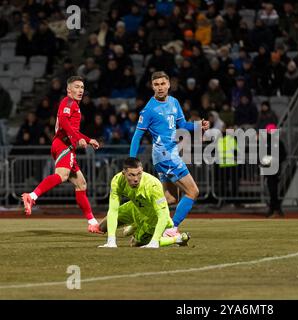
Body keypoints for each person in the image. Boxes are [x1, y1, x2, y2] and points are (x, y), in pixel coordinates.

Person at [129, 71, 210, 237]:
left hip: (169, 155)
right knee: (193, 192)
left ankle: (140, 221)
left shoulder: (174, 102)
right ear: (152, 86)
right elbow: (137, 136)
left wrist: (198, 126)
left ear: (169, 85)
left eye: (162, 84)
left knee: (170, 199)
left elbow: (182, 125)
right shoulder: (149, 110)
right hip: (166, 156)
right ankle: (171, 229)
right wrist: (131, 161)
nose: (160, 87)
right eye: (156, 84)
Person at [21, 76, 103, 234]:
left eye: (82, 87)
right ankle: (32, 196)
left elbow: (73, 128)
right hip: (63, 144)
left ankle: (92, 223)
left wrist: (88, 139)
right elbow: (64, 123)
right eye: (77, 87)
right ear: (69, 90)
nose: (80, 90)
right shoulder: (68, 102)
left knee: (81, 184)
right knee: (62, 175)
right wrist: (77, 139)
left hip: (66, 144)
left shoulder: (74, 105)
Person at [98, 157, 190, 248]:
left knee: (135, 243)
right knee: (102, 226)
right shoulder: (117, 181)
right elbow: (113, 210)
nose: (136, 179)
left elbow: (163, 215)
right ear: (124, 173)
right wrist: (111, 241)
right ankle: (135, 225)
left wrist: (154, 242)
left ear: (142, 170)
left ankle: (177, 239)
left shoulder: (153, 185)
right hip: (135, 208)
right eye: (131, 175)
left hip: (152, 217)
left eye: (139, 174)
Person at [261, 123, 286, 218]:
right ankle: (276, 207)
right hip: (268, 168)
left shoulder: (278, 143)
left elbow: (283, 155)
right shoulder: (265, 143)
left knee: (273, 189)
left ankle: (274, 208)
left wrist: (275, 160)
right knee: (272, 189)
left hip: (275, 168)